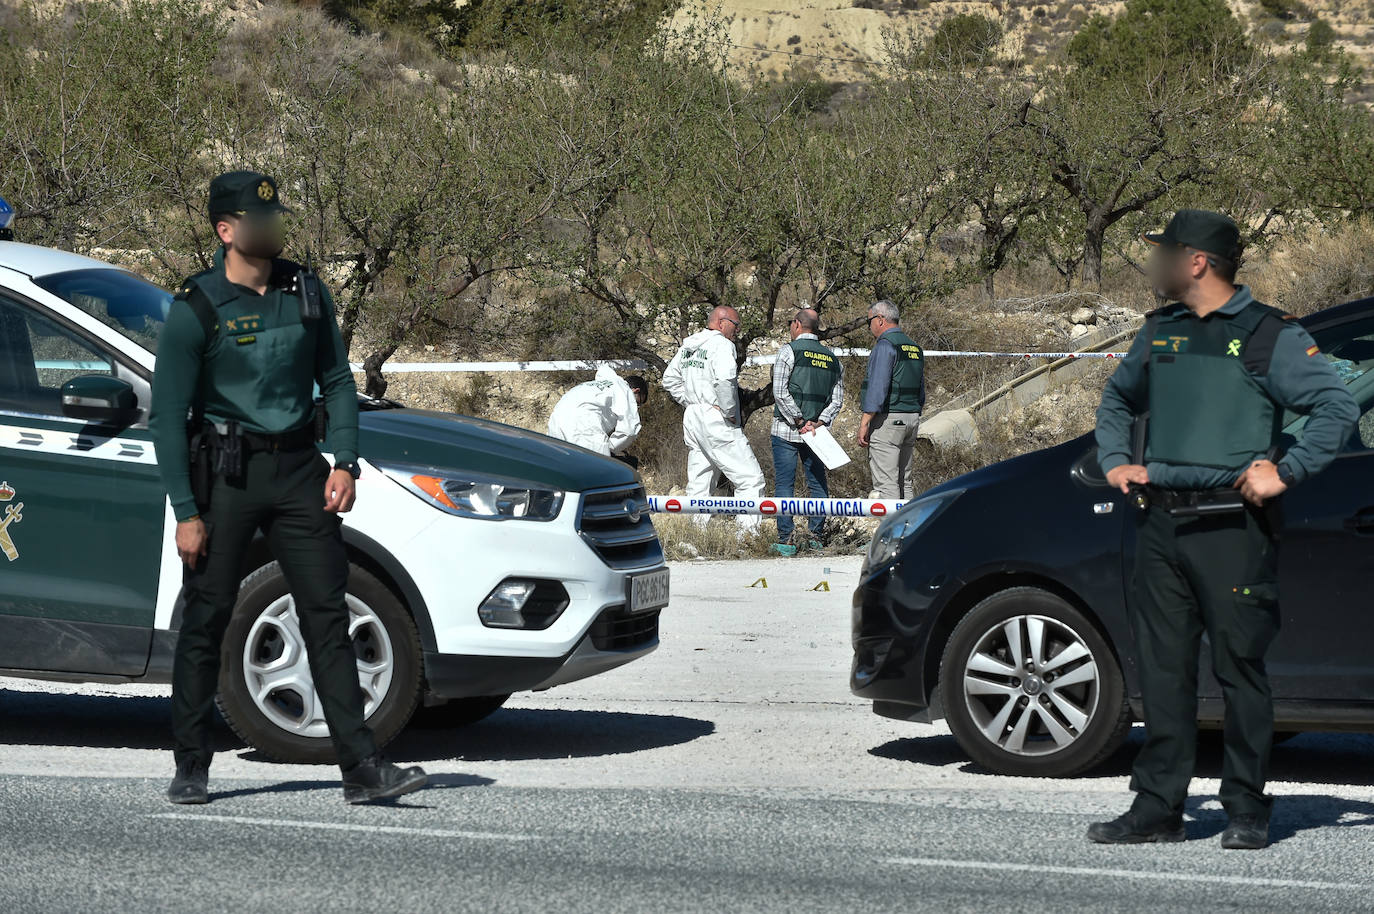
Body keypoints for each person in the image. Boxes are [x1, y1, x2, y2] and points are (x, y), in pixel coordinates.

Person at [149, 171, 428, 806]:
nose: (272, 230)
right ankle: (191, 764)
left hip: (301, 470)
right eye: (256, 221)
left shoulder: (306, 291)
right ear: (227, 231)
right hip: (225, 478)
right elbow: (167, 417)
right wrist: (186, 512)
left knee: (327, 616)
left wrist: (345, 462)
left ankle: (361, 769)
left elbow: (336, 380)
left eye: (275, 219)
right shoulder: (196, 308)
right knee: (206, 620)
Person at [1089, 209, 1358, 850]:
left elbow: (1336, 405)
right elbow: (1117, 400)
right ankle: (1158, 808)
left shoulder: (1268, 334)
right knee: (1163, 672)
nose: (1154, 266)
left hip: (1233, 528)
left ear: (1197, 262)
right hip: (1159, 523)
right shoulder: (1160, 332)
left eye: (1165, 254)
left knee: (1240, 671)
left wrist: (1287, 471)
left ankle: (1245, 808)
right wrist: (1113, 459)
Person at [662, 305, 765, 533]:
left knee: (700, 478)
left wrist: (690, 400)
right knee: (750, 478)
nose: (737, 331)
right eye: (735, 325)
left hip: (693, 417)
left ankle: (696, 534)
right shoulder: (722, 345)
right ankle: (747, 534)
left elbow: (669, 379)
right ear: (722, 323)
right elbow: (725, 380)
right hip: (715, 416)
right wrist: (729, 410)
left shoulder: (689, 347)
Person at [770, 308, 844, 554]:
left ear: (798, 325)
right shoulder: (833, 358)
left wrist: (799, 421)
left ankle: (786, 540)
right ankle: (816, 537)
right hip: (816, 435)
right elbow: (837, 399)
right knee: (818, 484)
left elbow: (780, 391)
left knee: (784, 485)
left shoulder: (788, 351)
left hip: (786, 430)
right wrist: (819, 423)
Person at [857, 300, 925, 499]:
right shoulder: (914, 348)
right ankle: (911, 529)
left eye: (869, 321)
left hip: (888, 421)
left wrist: (864, 422)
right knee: (905, 482)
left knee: (887, 485)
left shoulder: (885, 346)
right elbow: (921, 391)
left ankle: (894, 530)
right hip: (911, 418)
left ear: (880, 320)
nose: (869, 327)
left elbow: (877, 388)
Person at [547, 366, 648, 457]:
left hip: (556, 421)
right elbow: (629, 431)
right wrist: (610, 449)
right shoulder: (625, 391)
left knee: (559, 466)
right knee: (595, 470)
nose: (636, 407)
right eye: (638, 403)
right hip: (583, 425)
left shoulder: (602, 385)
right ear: (636, 391)